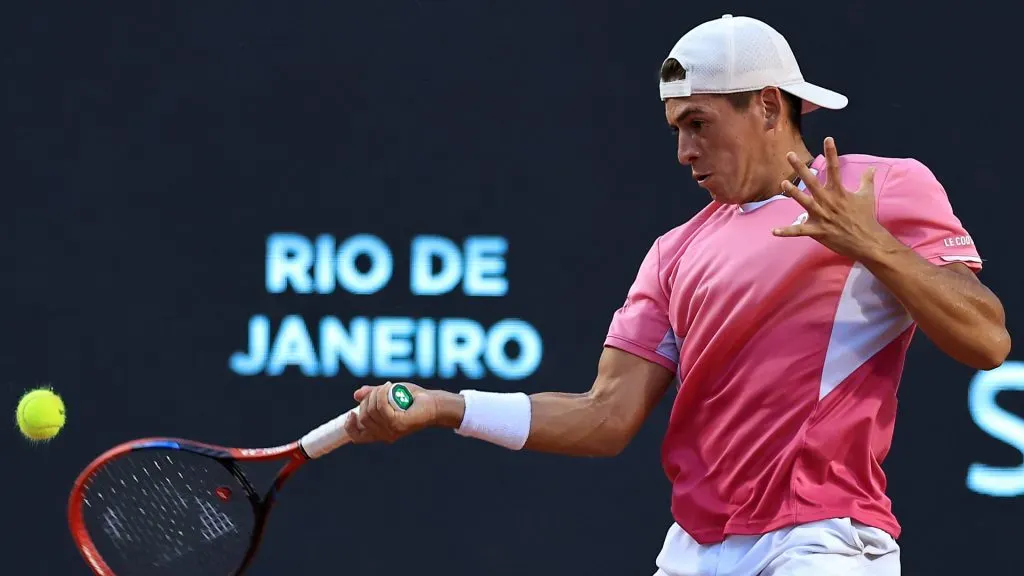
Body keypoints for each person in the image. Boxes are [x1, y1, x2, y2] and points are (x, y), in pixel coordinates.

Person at [343, 14, 1011, 576]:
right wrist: (443, 407)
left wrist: (873, 246)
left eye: (699, 124)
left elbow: (987, 340)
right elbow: (604, 418)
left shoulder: (878, 190)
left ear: (770, 106)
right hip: (695, 551)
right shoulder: (674, 252)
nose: (684, 151)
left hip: (821, 540)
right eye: (676, 130)